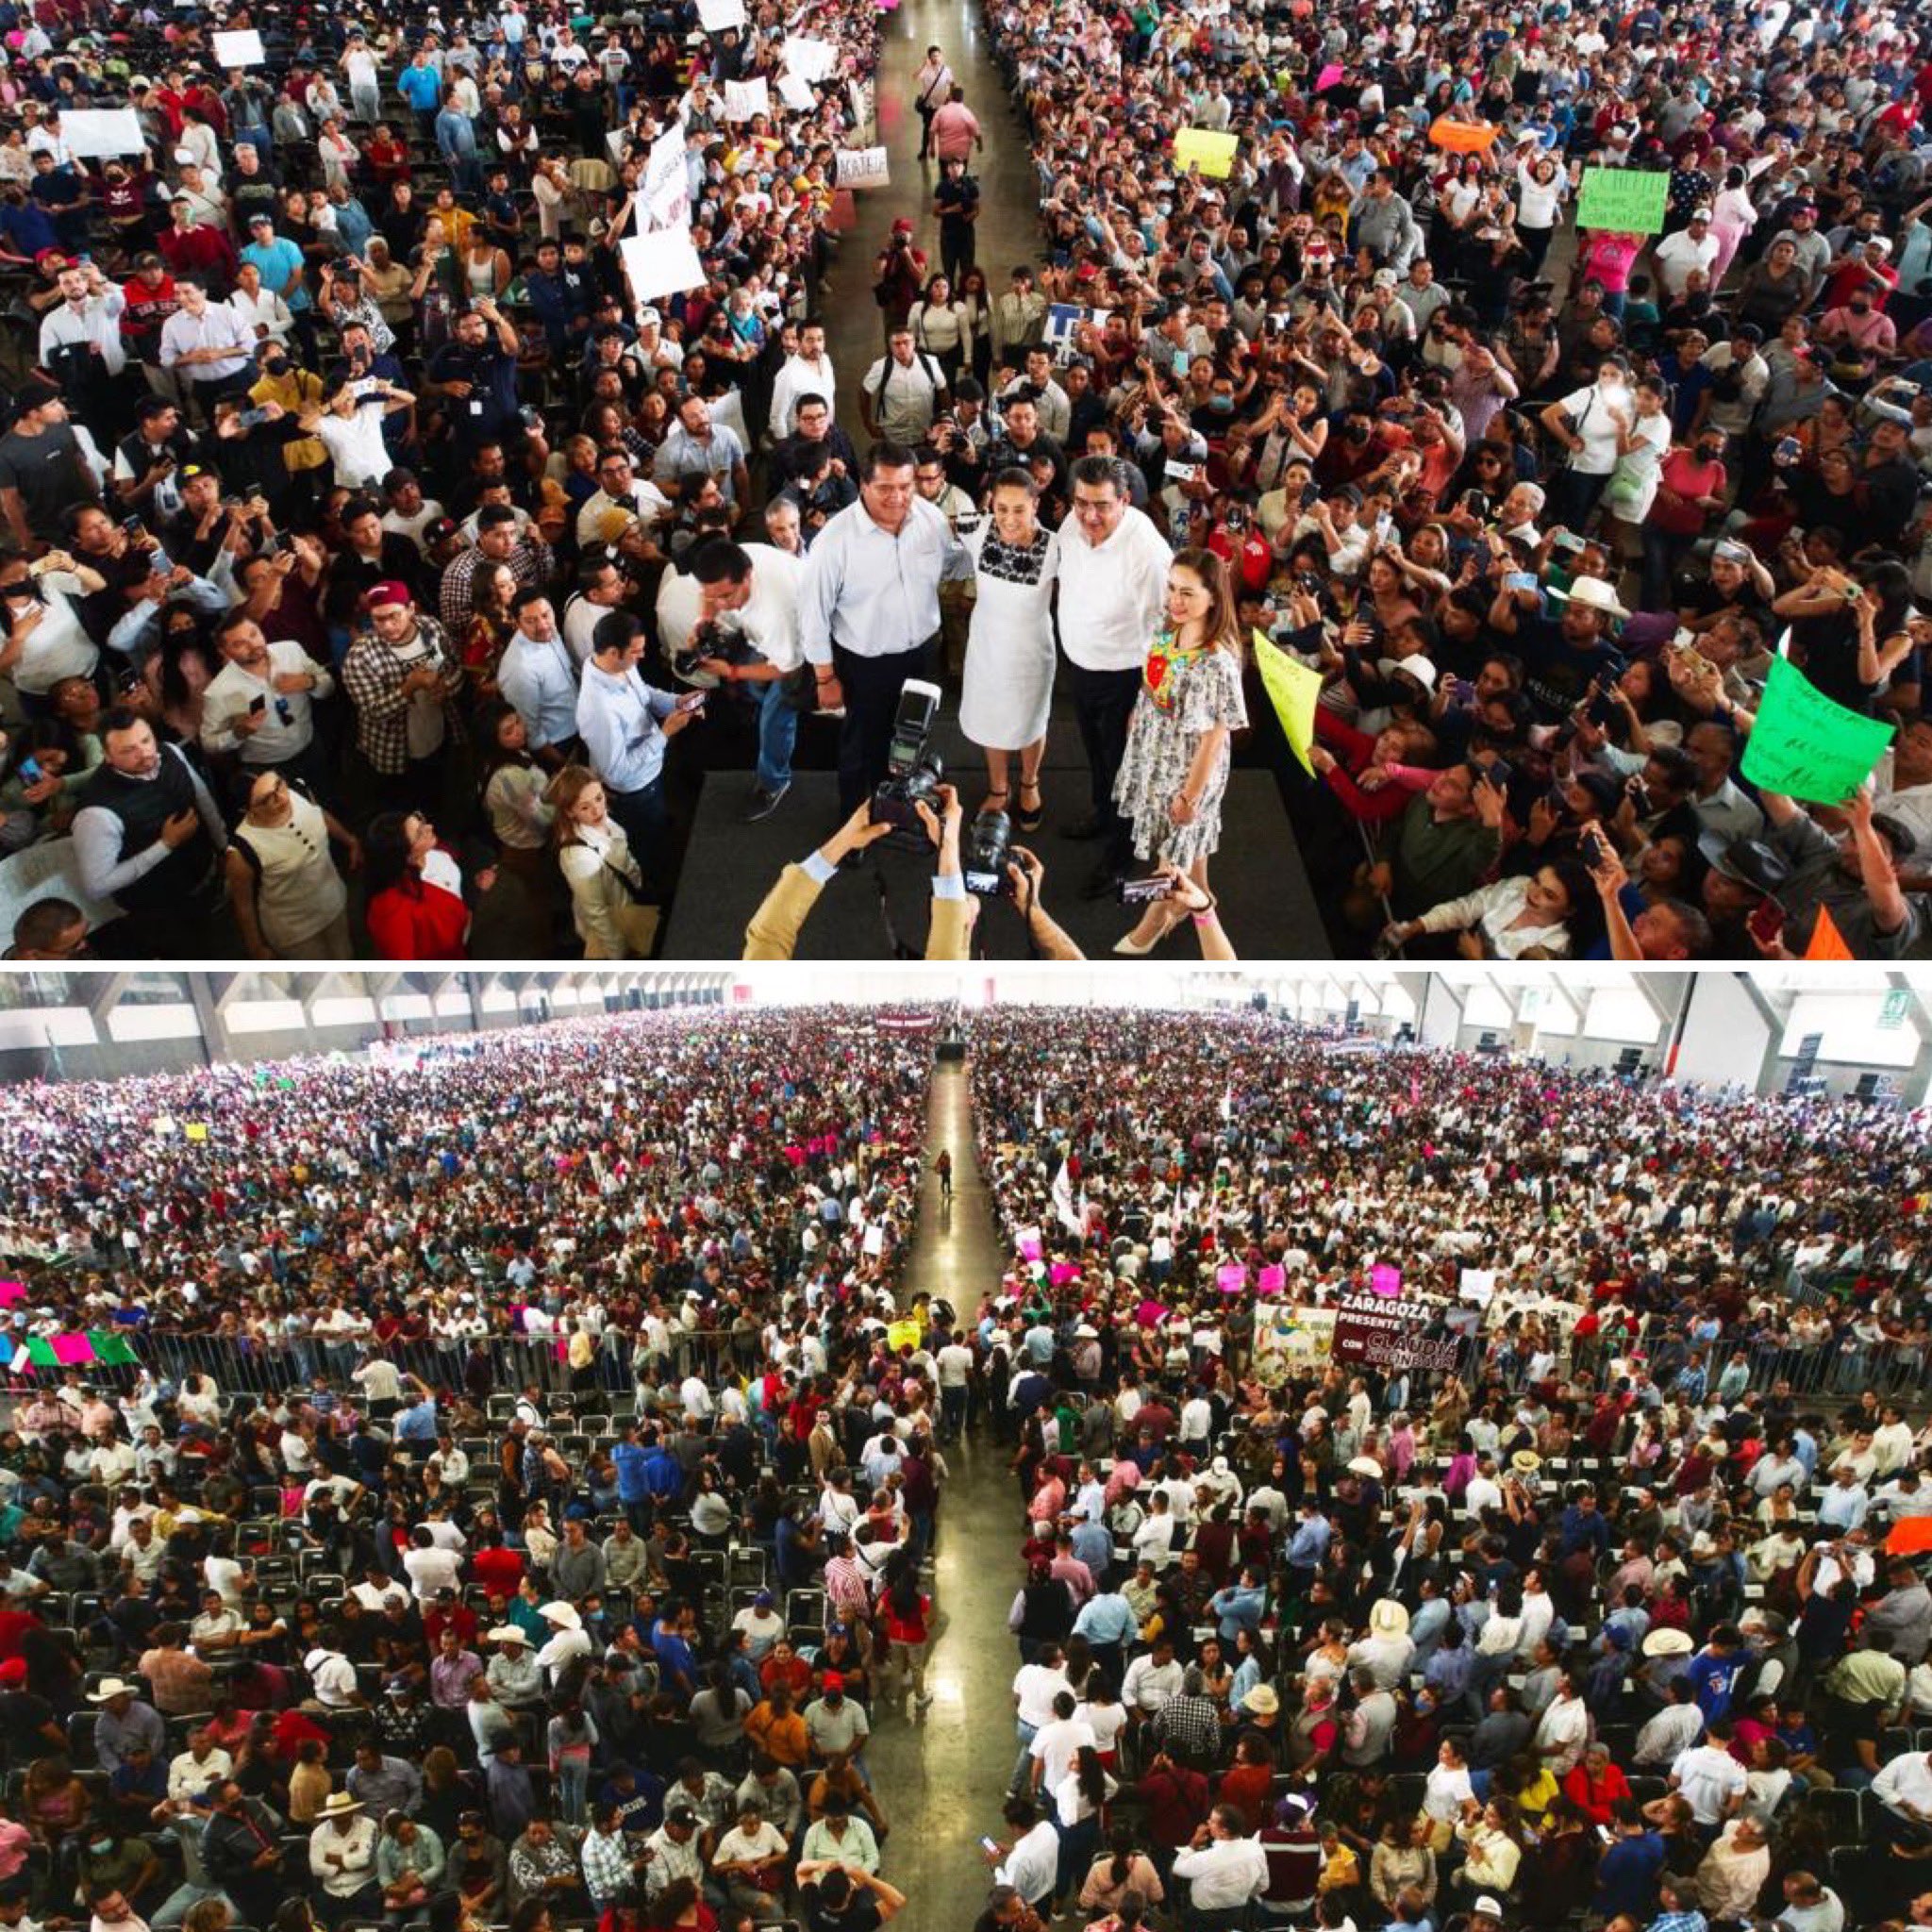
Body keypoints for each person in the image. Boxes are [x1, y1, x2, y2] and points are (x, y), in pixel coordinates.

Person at [798, 441, 970, 814]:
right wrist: (825, 679)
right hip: (865, 664)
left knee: (911, 738)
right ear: (863, 485)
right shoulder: (834, 541)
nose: (897, 498)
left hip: (922, 655)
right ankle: (854, 825)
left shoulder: (931, 520)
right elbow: (813, 614)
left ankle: (901, 811)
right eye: (886, 488)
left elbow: (952, 566)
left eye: (906, 486)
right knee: (862, 747)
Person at [1110, 548, 1246, 955]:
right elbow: (1150, 677)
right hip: (1153, 749)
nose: (1176, 600)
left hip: (1188, 767)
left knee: (1173, 852)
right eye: (1171, 588)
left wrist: (1190, 795)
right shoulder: (1164, 628)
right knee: (1187, 846)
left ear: (1213, 598)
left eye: (1188, 592)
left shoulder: (1218, 660)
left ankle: (1150, 926)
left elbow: (1214, 737)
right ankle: (1200, 897)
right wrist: (1141, 710)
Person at [1055, 456, 1174, 898]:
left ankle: (1123, 855)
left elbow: (1170, 629)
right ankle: (1103, 814)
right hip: (1083, 666)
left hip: (1126, 677)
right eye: (1081, 503)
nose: (1089, 516)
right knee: (1098, 755)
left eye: (1102, 506)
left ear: (1124, 500)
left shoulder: (1148, 551)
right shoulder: (1073, 524)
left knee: (1126, 767)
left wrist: (1148, 700)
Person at [546, 764, 656, 959]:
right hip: (615, 922)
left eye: (599, 798)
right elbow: (597, 914)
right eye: (584, 807)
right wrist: (620, 956)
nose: (597, 810)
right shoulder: (579, 859)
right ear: (570, 812)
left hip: (629, 903)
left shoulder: (599, 820)